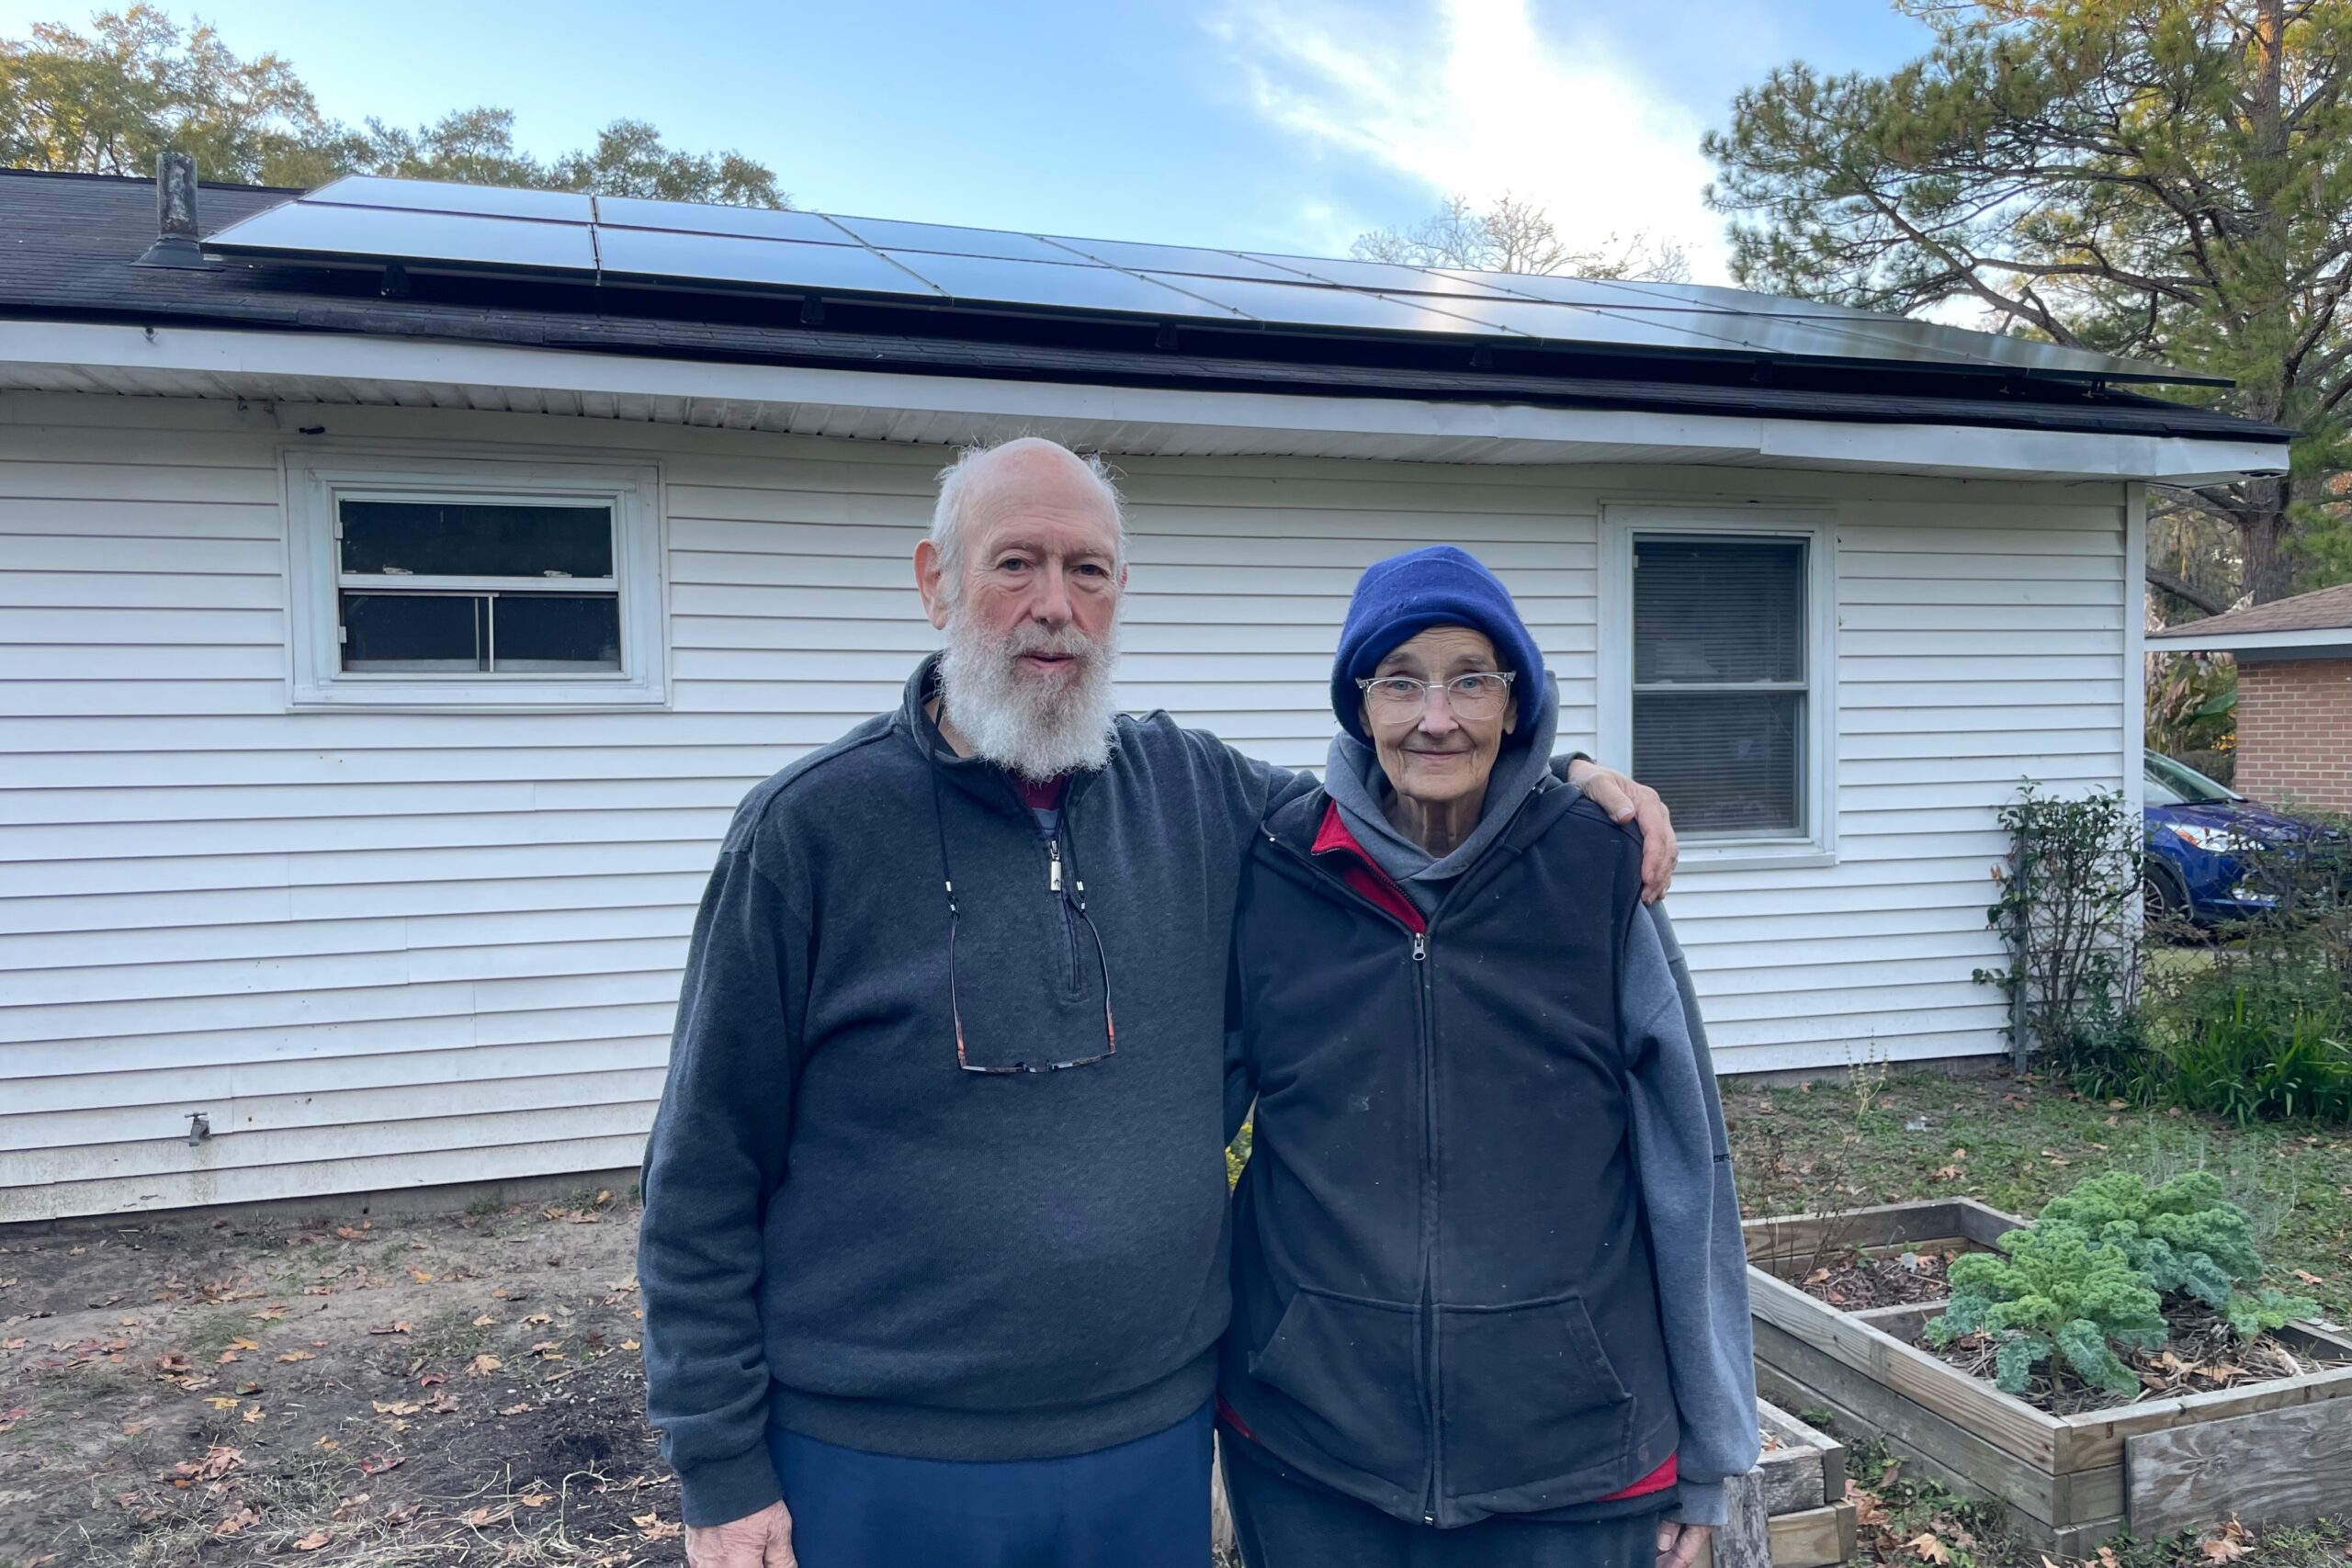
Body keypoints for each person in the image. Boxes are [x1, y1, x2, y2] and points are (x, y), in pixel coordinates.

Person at [636, 438, 1681, 1568]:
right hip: (878, 1456)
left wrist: (1562, 773)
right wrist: (719, 1468)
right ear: (935, 582)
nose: (1054, 607)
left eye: (1087, 571)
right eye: (1015, 565)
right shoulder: (806, 832)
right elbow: (703, 1168)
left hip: (1148, 1445)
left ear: (1119, 593)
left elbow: (1396, 796)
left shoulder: (1195, 792)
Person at [1217, 546, 1757, 1568]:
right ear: (1357, 703)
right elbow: (1178, 1117)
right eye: (1400, 680)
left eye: (1472, 677)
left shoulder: (1601, 871)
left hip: (1571, 1460)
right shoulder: (1276, 867)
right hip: (1312, 1451)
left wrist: (1711, 1446)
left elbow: (1690, 1169)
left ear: (1517, 705)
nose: (1436, 715)